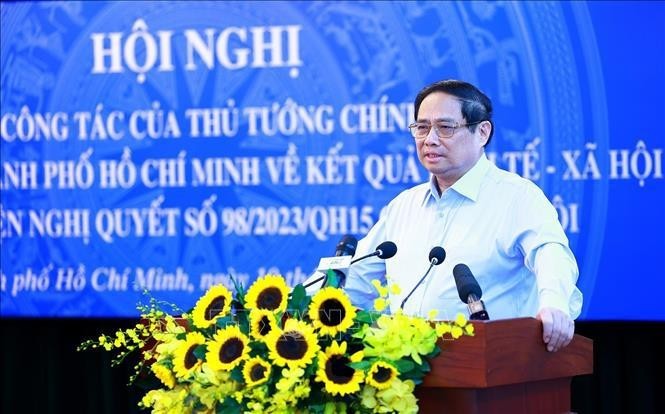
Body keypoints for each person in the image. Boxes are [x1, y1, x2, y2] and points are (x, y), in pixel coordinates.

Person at [344, 79, 582, 352]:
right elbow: (356, 281)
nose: (430, 139)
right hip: (407, 375)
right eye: (422, 128)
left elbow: (551, 253)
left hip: (496, 366)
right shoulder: (403, 207)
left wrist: (554, 303)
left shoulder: (517, 197)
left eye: (445, 128)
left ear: (482, 132)